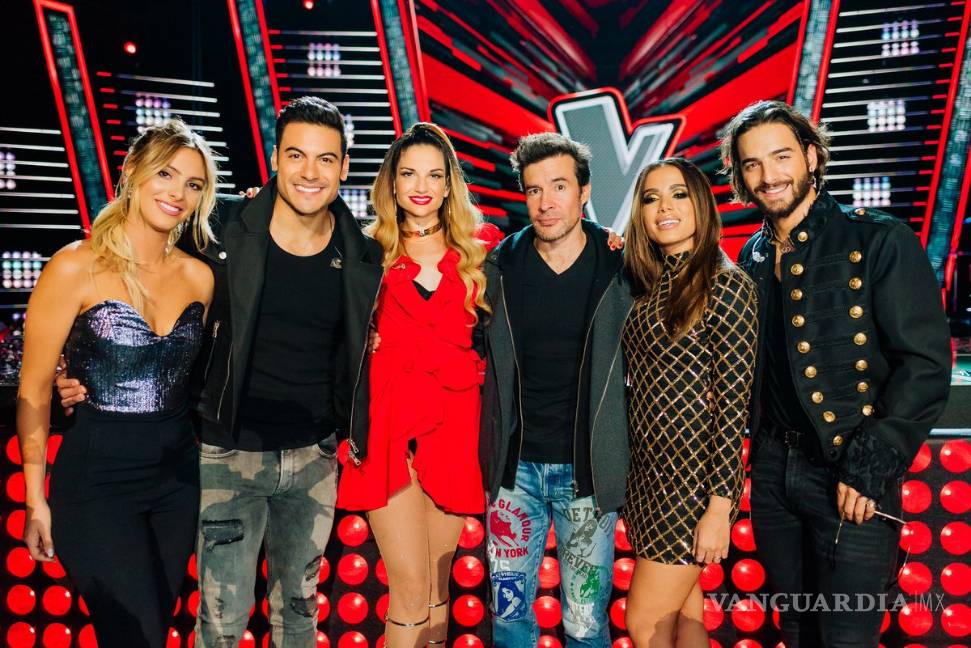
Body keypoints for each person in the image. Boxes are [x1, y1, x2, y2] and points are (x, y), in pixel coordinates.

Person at [58, 96, 385, 646]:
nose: (310, 172)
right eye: (297, 155)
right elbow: (130, 268)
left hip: (315, 458)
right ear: (275, 159)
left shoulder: (362, 254)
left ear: (344, 167)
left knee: (299, 616)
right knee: (221, 623)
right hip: (227, 453)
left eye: (326, 159)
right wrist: (74, 358)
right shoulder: (220, 229)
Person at [721, 100, 951, 646]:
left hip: (850, 473)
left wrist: (869, 466)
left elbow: (924, 364)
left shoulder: (877, 239)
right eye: (752, 164)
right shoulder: (752, 255)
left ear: (811, 156)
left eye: (781, 156)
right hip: (774, 474)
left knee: (846, 636)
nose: (768, 176)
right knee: (797, 628)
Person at [18, 119, 217, 647]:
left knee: (149, 632)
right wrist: (35, 500)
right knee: (136, 636)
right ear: (131, 172)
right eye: (165, 174)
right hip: (96, 482)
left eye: (193, 184)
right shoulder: (74, 267)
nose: (177, 193)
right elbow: (33, 390)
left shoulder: (200, 277)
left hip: (177, 483)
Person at [337, 122, 501, 647]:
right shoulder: (367, 252)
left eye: (433, 174)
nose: (421, 186)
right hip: (388, 430)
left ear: (450, 184)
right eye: (409, 174)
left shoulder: (482, 251)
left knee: (435, 589)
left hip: (456, 429)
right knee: (408, 591)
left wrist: (609, 240)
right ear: (392, 182)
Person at [479, 132, 632, 647]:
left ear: (584, 191)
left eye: (559, 186)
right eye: (534, 189)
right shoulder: (499, 268)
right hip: (513, 474)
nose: (546, 202)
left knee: (585, 625)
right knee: (509, 619)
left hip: (586, 473)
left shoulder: (619, 265)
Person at [620, 158, 757, 646]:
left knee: (645, 623)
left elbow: (733, 407)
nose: (664, 207)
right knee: (684, 618)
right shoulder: (651, 284)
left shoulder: (727, 284)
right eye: (651, 198)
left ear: (701, 204)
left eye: (678, 194)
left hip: (692, 487)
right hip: (648, 480)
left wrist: (719, 509)